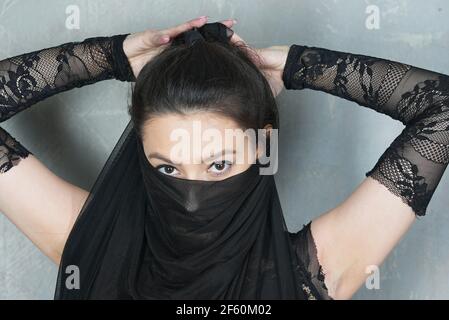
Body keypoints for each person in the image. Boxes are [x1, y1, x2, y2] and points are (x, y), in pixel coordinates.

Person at [0, 16, 448, 300]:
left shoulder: (316, 270)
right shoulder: (94, 245)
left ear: (263, 149)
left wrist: (297, 65)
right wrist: (112, 56)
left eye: (218, 165)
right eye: (168, 168)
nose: (191, 201)